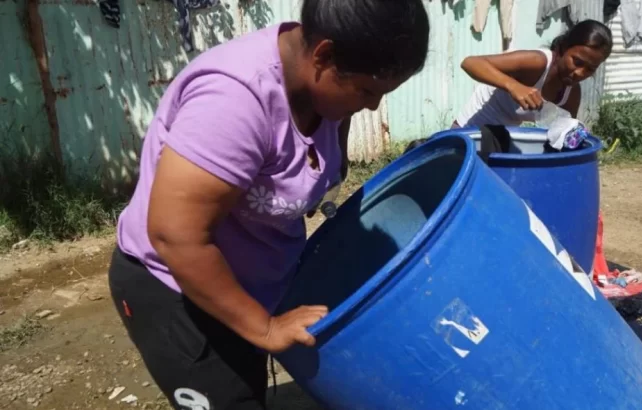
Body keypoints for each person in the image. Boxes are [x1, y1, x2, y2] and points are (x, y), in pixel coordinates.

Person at [107, 0, 430, 408]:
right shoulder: (234, 99)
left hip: (247, 285)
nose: (372, 106)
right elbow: (176, 236)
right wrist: (266, 328)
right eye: (367, 90)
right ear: (324, 55)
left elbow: (323, 163)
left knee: (247, 388)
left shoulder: (327, 92)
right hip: (176, 287)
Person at [454, 20, 613, 129]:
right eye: (577, 62)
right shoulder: (538, 62)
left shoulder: (570, 94)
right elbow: (470, 63)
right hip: (469, 129)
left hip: (502, 138)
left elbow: (566, 130)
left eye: (590, 68)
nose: (580, 72)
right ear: (563, 48)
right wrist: (514, 86)